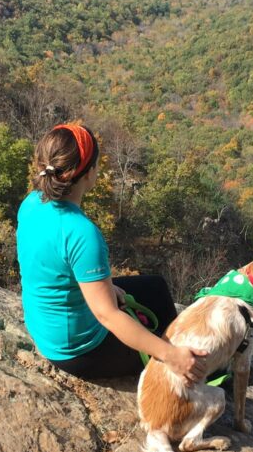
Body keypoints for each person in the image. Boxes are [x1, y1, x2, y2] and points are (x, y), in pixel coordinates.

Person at [16, 122, 208, 386]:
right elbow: (108, 315)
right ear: (88, 173)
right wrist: (170, 355)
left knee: (155, 287)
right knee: (162, 337)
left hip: (45, 328)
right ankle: (196, 376)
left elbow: (50, 269)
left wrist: (105, 289)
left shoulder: (32, 203)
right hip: (79, 351)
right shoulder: (81, 233)